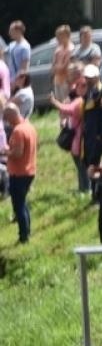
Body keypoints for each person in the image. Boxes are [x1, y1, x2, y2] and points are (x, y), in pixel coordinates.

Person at [2, 103, 36, 243]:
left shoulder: (18, 131)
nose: (7, 122)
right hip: (29, 170)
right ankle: (27, 231)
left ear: (11, 116)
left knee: (18, 205)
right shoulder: (29, 126)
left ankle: (24, 236)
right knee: (22, 203)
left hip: (19, 173)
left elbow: (17, 153)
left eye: (7, 119)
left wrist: (4, 152)